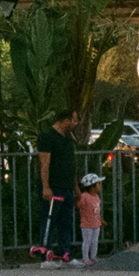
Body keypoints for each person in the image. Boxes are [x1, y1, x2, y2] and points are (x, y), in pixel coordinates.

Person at [34, 108, 82, 267]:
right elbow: (44, 163)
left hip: (67, 186)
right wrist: (46, 187)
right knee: (49, 221)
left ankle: (66, 253)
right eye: (74, 120)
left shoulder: (68, 138)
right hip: (54, 187)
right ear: (66, 120)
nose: (75, 124)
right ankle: (44, 256)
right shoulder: (47, 137)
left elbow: (71, 163)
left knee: (65, 222)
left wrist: (76, 188)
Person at [75, 172, 105, 266]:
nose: (99, 186)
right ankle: (85, 258)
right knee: (87, 241)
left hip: (96, 223)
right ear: (92, 186)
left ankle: (93, 256)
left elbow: (97, 210)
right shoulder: (84, 196)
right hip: (87, 224)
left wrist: (100, 219)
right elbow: (79, 205)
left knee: (95, 241)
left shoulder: (96, 197)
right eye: (98, 184)